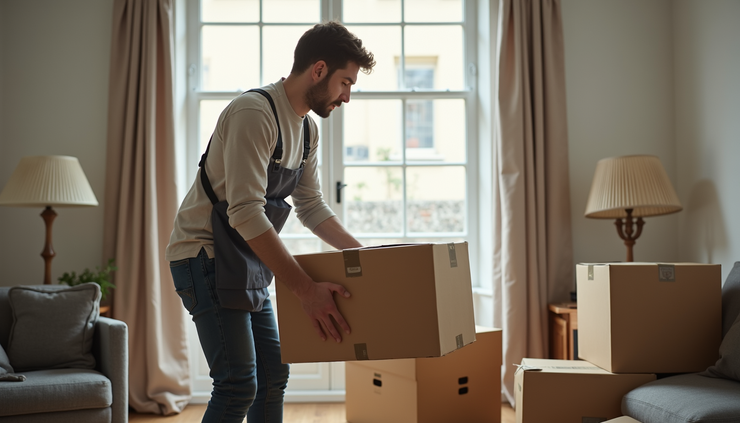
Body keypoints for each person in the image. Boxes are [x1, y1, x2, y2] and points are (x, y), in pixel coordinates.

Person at [165, 21, 375, 423]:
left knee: (273, 375)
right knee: (237, 383)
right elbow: (244, 211)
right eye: (345, 82)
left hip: (246, 258)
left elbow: (310, 206)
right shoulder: (254, 112)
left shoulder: (307, 130)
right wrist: (306, 291)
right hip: (203, 256)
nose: (347, 96)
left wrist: (366, 256)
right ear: (318, 71)